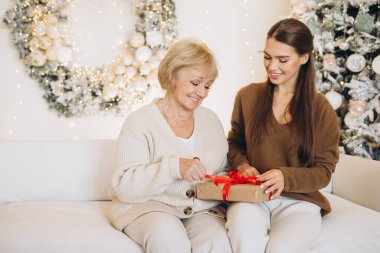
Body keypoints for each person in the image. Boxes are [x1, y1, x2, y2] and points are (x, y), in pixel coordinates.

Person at [225, 18, 340, 253]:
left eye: (282, 60)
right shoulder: (247, 96)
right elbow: (235, 143)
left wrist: (285, 178)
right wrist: (243, 165)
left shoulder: (321, 108)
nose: (271, 67)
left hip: (300, 201)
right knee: (244, 238)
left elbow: (324, 171)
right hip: (252, 196)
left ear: (304, 57)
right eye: (267, 57)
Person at [108, 38, 232, 253]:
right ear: (173, 74)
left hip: (201, 211)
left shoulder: (211, 120)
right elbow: (124, 186)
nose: (201, 92)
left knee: (217, 242)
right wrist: (173, 167)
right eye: (195, 83)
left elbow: (222, 171)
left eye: (207, 86)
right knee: (168, 238)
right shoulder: (140, 122)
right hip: (148, 208)